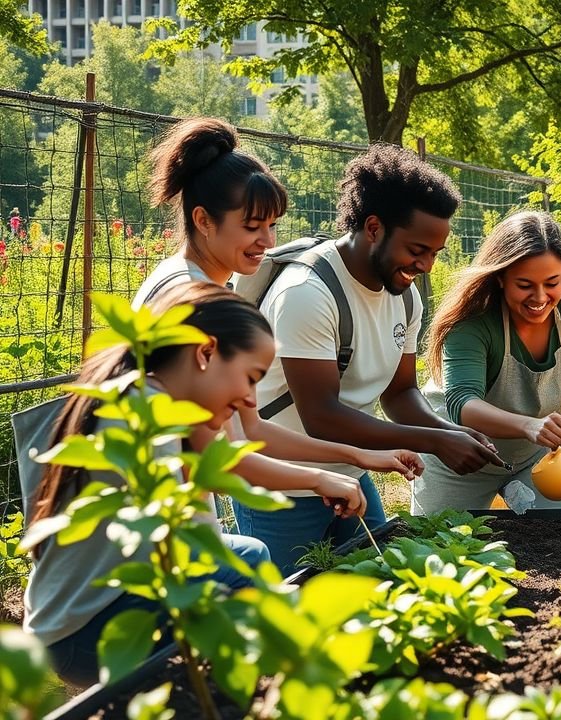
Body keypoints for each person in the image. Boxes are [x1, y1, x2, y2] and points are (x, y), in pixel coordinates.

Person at [136, 118, 424, 569]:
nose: (268, 242)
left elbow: (250, 431)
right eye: (253, 226)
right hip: (160, 534)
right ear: (203, 220)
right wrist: (320, 477)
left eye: (272, 225)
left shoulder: (204, 288)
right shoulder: (188, 303)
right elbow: (229, 455)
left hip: (182, 516)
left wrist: (356, 457)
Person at [247, 144, 503, 570]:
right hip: (281, 484)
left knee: (376, 595)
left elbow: (400, 392)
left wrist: (449, 430)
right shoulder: (308, 293)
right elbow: (322, 417)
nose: (426, 265)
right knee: (284, 617)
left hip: (349, 475)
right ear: (373, 227)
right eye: (418, 249)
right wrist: (437, 441)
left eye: (435, 253)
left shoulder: (403, 297)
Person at [22, 283, 274, 686]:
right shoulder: (142, 410)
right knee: (242, 579)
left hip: (73, 611)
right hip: (83, 629)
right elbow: (188, 543)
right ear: (205, 353)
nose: (249, 398)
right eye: (251, 377)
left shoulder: (142, 392)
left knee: (251, 552)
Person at [414, 211, 561, 512]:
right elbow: (462, 403)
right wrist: (529, 425)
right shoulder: (472, 322)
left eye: (552, 283)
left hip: (539, 456)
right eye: (525, 285)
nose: (540, 297)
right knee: (439, 547)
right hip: (458, 455)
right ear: (501, 278)